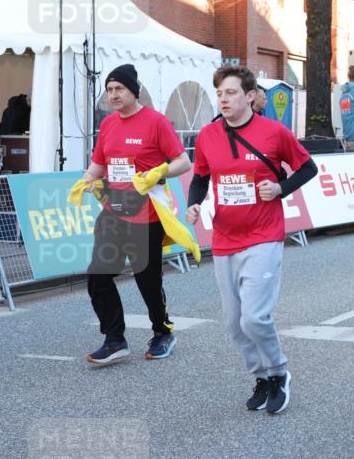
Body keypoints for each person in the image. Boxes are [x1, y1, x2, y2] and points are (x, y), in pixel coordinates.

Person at [186, 65, 318, 415]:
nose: (224, 99)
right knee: (233, 321)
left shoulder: (274, 133)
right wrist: (194, 205)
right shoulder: (208, 136)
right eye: (219, 94)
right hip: (225, 238)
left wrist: (280, 188)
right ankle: (260, 376)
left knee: (254, 317)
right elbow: (200, 178)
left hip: (263, 235)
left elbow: (308, 168)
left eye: (230, 92)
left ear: (249, 96)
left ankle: (279, 372)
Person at [83, 64, 191, 366]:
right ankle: (114, 339)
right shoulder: (107, 125)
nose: (113, 95)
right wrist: (86, 180)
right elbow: (99, 164)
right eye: (109, 90)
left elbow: (183, 162)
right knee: (98, 274)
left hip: (146, 216)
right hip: (112, 211)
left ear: (134, 90)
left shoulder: (156, 122)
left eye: (119, 89)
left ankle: (162, 331)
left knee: (148, 280)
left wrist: (156, 174)